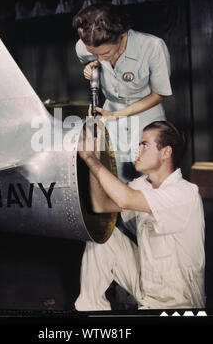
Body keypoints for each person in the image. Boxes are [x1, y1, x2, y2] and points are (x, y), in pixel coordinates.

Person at [75, 120, 205, 310]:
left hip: (178, 302)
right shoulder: (142, 185)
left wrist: (90, 159)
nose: (137, 151)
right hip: (146, 284)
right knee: (102, 239)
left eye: (144, 145)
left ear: (166, 152)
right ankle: (91, 311)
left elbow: (125, 199)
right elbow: (101, 204)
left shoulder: (185, 193)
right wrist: (95, 158)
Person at [72, 3, 172, 183]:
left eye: (107, 53)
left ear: (122, 35)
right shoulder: (84, 45)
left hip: (146, 115)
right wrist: (90, 67)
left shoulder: (153, 46)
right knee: (115, 176)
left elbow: (159, 94)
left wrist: (118, 115)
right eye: (95, 54)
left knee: (152, 178)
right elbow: (91, 58)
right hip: (110, 115)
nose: (100, 58)